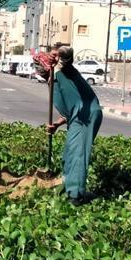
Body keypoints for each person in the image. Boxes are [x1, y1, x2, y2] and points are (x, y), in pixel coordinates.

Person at [40, 45, 103, 205]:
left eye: (41, 68)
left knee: (77, 152)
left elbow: (67, 54)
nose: (39, 72)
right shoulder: (52, 80)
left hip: (85, 116)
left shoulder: (63, 69)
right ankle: (70, 187)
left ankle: (75, 196)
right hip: (76, 116)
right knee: (69, 152)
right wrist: (57, 124)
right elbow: (69, 108)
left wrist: (60, 53)